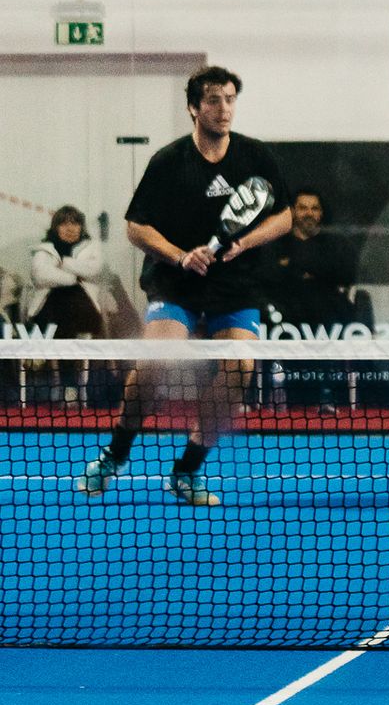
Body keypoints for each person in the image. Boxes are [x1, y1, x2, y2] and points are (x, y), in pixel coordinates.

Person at [75, 66, 290, 506]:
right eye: (213, 100)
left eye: (230, 99)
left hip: (235, 285)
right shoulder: (169, 162)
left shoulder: (255, 156)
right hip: (175, 283)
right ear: (193, 107)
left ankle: (187, 470)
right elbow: (136, 227)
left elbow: (282, 216)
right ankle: (115, 454)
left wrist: (243, 243)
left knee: (239, 370)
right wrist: (179, 255)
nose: (224, 108)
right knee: (157, 361)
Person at [265, 189, 356, 406]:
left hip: (326, 316)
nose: (309, 213)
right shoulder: (277, 242)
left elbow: (345, 273)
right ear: (293, 212)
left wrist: (292, 265)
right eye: (303, 208)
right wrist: (313, 269)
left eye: (314, 208)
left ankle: (330, 397)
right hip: (287, 316)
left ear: (321, 213)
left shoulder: (333, 244)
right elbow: (268, 274)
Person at [25, 206, 109, 402]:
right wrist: (73, 278)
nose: (70, 227)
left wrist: (64, 263)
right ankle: (68, 385)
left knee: (70, 307)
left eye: (75, 223)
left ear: (81, 227)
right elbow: (40, 275)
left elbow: (94, 270)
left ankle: (67, 385)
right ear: (56, 227)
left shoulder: (92, 247)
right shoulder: (44, 249)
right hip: (50, 309)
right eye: (64, 223)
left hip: (84, 310)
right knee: (63, 306)